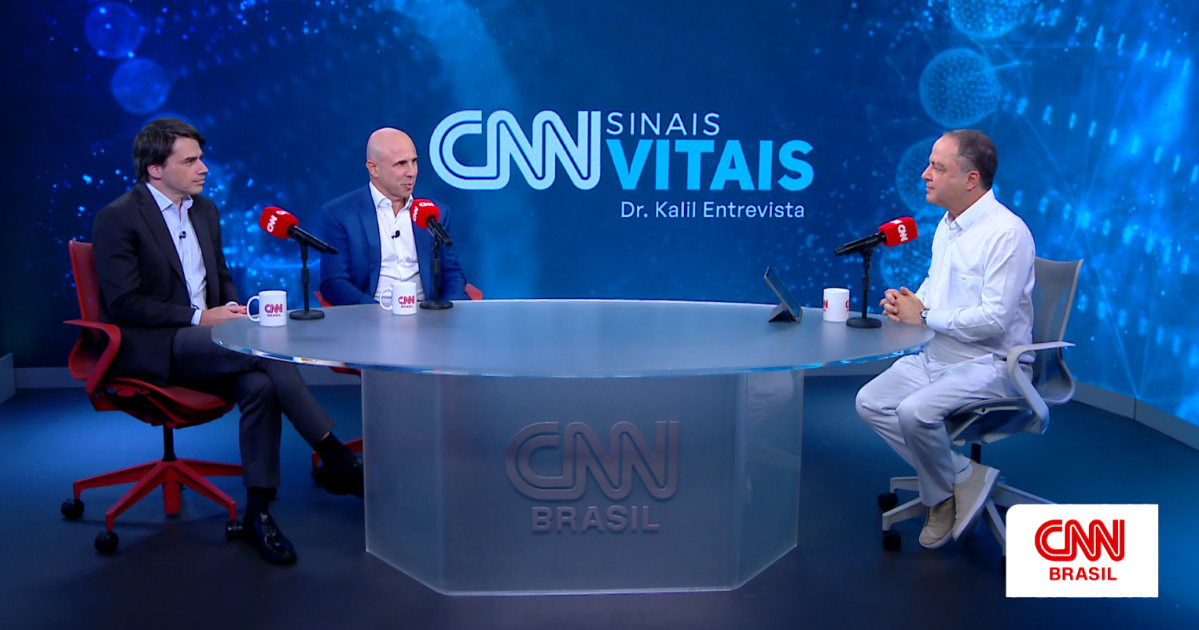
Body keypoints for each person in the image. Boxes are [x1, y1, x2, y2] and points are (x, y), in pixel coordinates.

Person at [92, 118, 364, 565]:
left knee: (259, 386)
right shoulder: (119, 217)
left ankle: (258, 514)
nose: (204, 168)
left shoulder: (204, 210)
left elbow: (220, 276)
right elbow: (124, 304)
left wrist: (232, 307)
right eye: (190, 161)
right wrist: (200, 317)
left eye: (202, 158)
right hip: (158, 346)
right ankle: (337, 458)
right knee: (266, 355)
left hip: (210, 341)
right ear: (155, 169)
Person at [856, 129, 1036, 549]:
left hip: (991, 365)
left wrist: (925, 315)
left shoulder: (1008, 234)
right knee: (870, 401)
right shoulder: (948, 224)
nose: (925, 174)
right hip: (937, 355)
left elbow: (994, 320)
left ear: (971, 179)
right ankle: (961, 476)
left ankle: (939, 497)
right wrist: (912, 302)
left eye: (937, 167)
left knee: (914, 411)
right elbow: (937, 284)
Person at [318, 127, 469, 306]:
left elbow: (452, 274)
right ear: (374, 168)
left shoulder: (435, 213)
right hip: (369, 315)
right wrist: (376, 315)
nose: (411, 172)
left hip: (426, 314)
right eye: (401, 164)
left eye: (414, 161)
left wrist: (446, 313)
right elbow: (334, 282)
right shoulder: (340, 214)